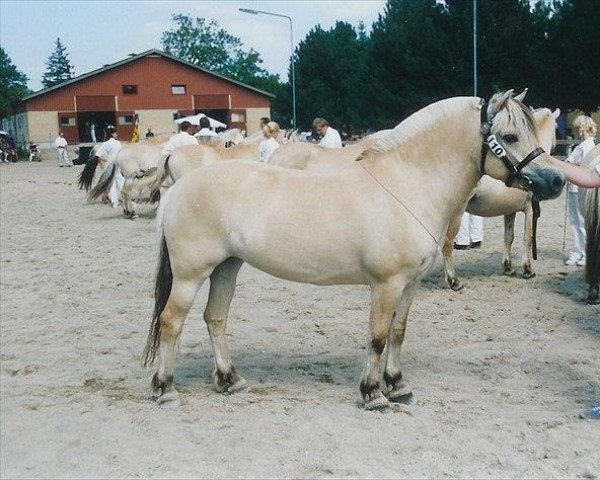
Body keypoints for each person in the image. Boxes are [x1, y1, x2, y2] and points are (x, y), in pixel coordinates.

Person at [563, 115, 596, 266]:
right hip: (573, 188)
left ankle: (584, 253)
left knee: (581, 223)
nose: (575, 131)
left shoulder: (587, 146)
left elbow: (584, 167)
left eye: (577, 128)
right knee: (575, 222)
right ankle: (577, 252)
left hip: (581, 189)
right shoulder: (580, 146)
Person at [95, 126, 123, 208]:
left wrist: (107, 160)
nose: (117, 134)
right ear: (112, 134)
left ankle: (115, 202)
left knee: (113, 183)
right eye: (115, 133)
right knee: (121, 181)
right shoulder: (117, 143)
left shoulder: (105, 143)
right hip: (116, 165)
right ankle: (125, 200)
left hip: (109, 165)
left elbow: (98, 154)